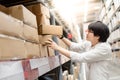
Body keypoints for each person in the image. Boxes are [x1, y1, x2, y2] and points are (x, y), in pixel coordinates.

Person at [45, 21, 112, 80]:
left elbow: (80, 58)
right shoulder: (89, 43)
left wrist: (57, 47)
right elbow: (74, 46)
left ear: (97, 36)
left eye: (89, 31)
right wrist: (61, 37)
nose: (87, 33)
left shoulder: (104, 49)